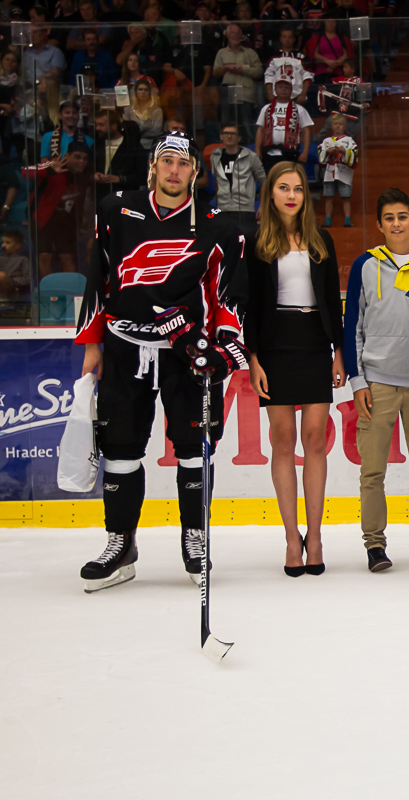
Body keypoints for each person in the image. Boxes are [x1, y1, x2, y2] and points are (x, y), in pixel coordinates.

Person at [74, 132, 248, 593]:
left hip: (186, 354)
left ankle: (195, 538)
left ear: (195, 172)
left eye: (183, 163)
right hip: (124, 346)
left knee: (194, 448)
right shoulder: (117, 209)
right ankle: (121, 544)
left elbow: (228, 294)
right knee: (120, 448)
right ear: (153, 167)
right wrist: (92, 343)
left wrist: (224, 346)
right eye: (167, 161)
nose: (174, 170)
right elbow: (100, 273)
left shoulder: (216, 226)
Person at [245, 162, 343, 577]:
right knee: (283, 441)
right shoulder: (256, 241)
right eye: (283, 188)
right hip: (274, 345)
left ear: (306, 195)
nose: (291, 195)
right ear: (270, 193)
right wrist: (252, 358)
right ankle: (291, 538)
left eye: (298, 189)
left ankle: (315, 537)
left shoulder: (322, 239)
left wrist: (339, 352)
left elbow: (332, 298)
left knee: (315, 440)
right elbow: (249, 305)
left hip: (315, 342)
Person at [344, 189, 409, 573]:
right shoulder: (364, 265)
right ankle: (374, 544)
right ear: (379, 224)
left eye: (403, 216)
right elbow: (352, 326)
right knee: (372, 471)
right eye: (389, 218)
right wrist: (358, 381)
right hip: (377, 384)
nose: (397, 223)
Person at [22, 141, 92, 278]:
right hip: (43, 219)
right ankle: (46, 290)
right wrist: (49, 170)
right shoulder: (53, 164)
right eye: (77, 157)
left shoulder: (86, 173)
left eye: (85, 158)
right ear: (67, 155)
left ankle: (70, 290)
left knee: (67, 257)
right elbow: (25, 172)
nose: (81, 162)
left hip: (66, 223)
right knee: (44, 255)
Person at [210, 122, 265, 237]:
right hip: (223, 209)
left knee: (246, 241)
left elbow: (263, 181)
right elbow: (217, 181)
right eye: (226, 133)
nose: (229, 136)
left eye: (233, 133)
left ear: (239, 138)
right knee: (226, 242)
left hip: (245, 210)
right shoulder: (214, 157)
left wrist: (262, 205)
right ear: (221, 136)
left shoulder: (251, 157)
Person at [213, 24, 264, 144]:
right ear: (227, 35)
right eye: (233, 33)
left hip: (246, 92)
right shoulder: (222, 53)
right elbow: (215, 73)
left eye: (238, 33)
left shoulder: (250, 53)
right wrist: (226, 68)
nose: (235, 35)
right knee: (227, 123)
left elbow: (259, 72)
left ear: (242, 36)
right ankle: (227, 148)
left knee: (246, 125)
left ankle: (250, 148)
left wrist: (242, 69)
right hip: (228, 92)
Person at [255, 77, 314, 176]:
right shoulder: (266, 108)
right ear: (275, 89)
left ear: (291, 90)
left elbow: (306, 131)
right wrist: (257, 150)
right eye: (280, 87)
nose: (283, 89)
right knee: (269, 180)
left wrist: (305, 152)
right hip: (269, 153)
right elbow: (260, 129)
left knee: (290, 180)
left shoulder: (299, 109)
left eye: (286, 87)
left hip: (290, 153)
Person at [318, 112, 358, 228]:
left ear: (345, 127)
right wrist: (327, 151)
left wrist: (345, 151)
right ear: (332, 126)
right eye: (335, 124)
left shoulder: (349, 140)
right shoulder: (326, 141)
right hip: (330, 172)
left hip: (343, 172)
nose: (338, 126)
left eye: (340, 124)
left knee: (346, 197)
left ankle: (347, 219)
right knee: (329, 196)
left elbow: (355, 152)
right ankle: (328, 220)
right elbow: (320, 153)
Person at [264, 26, 313, 105]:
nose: (287, 40)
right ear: (280, 39)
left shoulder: (301, 56)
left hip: (297, 98)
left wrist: (303, 94)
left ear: (294, 39)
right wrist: (270, 94)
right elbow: (268, 76)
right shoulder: (274, 57)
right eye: (284, 37)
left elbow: (308, 76)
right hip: (277, 99)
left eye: (290, 37)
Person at [0, 229, 32, 302]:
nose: (4, 245)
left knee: (1, 276)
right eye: (2, 242)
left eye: (8, 243)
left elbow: (28, 279)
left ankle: (3, 299)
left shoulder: (23, 259)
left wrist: (9, 279)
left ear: (17, 246)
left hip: (13, 286)